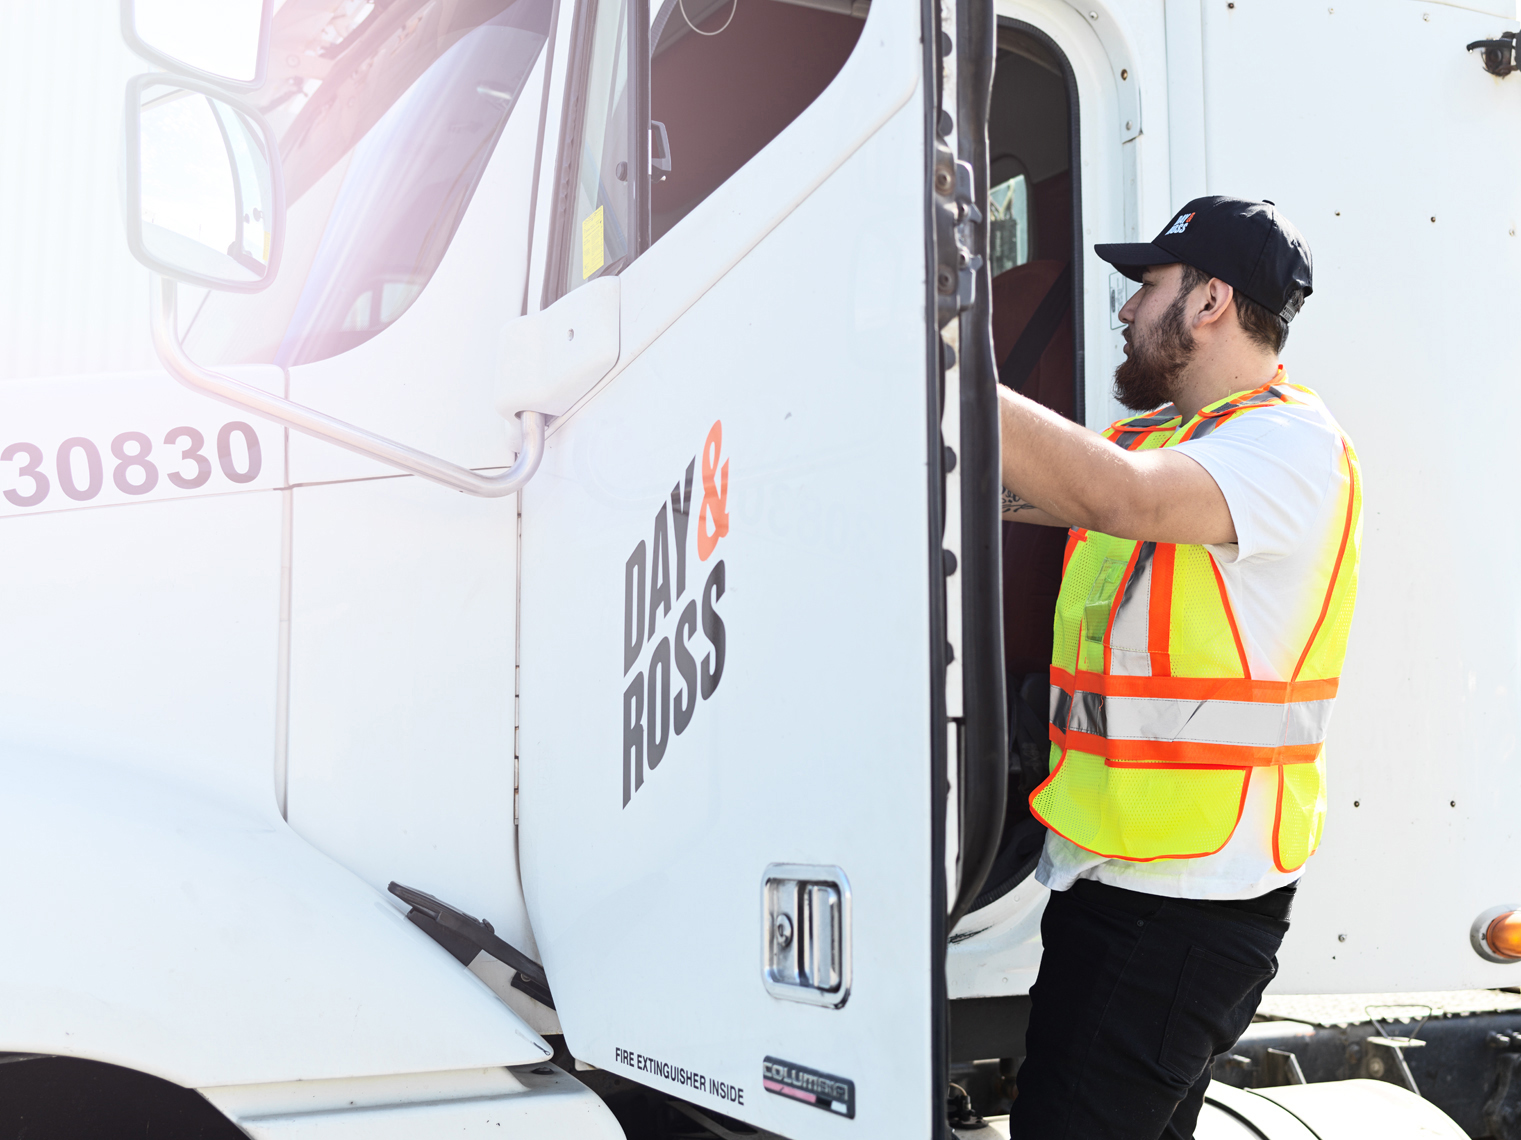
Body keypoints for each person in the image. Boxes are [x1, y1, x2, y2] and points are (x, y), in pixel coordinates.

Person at [996, 196, 1362, 1139]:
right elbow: (1032, 488)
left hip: (1183, 901)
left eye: (1146, 286)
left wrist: (937, 366)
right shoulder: (1166, 440)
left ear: (1209, 301)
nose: (1125, 309)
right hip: (1123, 878)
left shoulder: (1285, 445)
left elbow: (1113, 497)